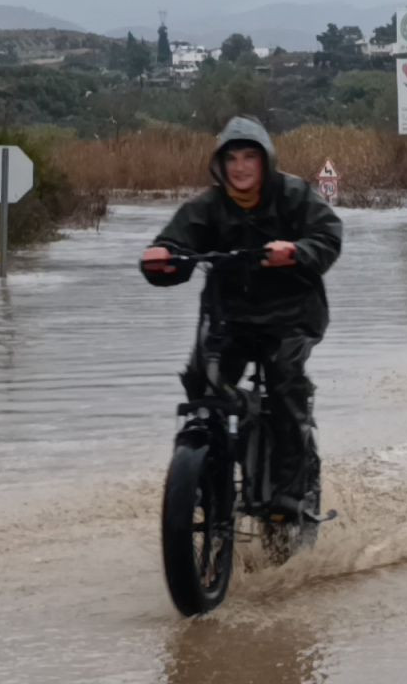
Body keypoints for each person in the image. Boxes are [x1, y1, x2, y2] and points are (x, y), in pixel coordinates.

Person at [140, 115, 342, 515]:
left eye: (250, 156)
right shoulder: (207, 206)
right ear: (220, 164)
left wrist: (297, 252)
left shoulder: (294, 194)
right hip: (229, 318)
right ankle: (208, 472)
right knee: (202, 381)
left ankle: (291, 490)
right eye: (232, 158)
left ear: (265, 160)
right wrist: (161, 258)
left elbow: (328, 236)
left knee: (286, 382)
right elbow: (176, 244)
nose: (241, 167)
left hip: (292, 316)